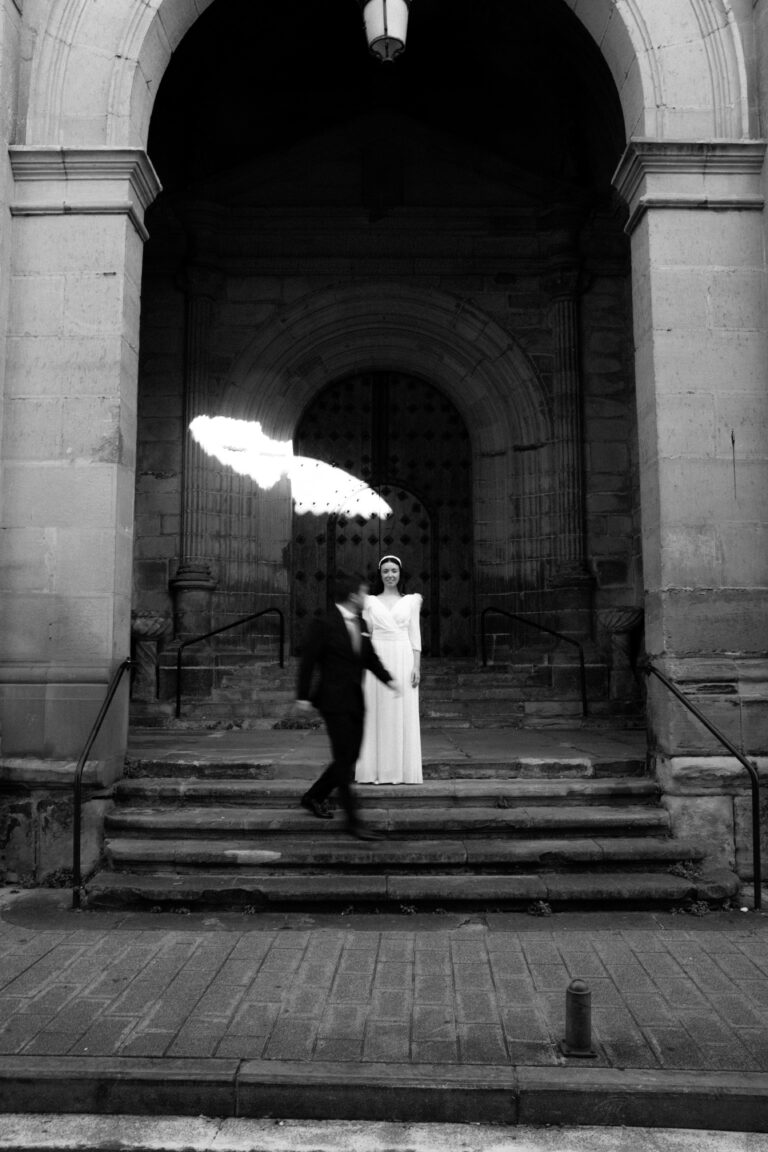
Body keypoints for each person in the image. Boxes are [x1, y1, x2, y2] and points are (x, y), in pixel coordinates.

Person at [295, 571, 401, 840]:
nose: (367, 597)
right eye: (364, 592)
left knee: (350, 758)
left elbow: (369, 658)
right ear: (354, 596)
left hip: (356, 701)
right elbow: (308, 661)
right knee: (345, 761)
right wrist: (303, 696)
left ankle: (314, 795)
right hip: (332, 702)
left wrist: (389, 680)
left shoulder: (361, 621)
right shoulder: (324, 623)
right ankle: (353, 821)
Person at [355, 554, 423, 785]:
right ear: (380, 574)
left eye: (394, 570)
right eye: (386, 571)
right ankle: (375, 769)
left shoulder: (412, 601)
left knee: (401, 711)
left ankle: (401, 770)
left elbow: (415, 635)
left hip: (403, 657)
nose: (390, 574)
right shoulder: (370, 602)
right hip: (379, 656)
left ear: (400, 573)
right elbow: (366, 635)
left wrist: (416, 666)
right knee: (377, 710)